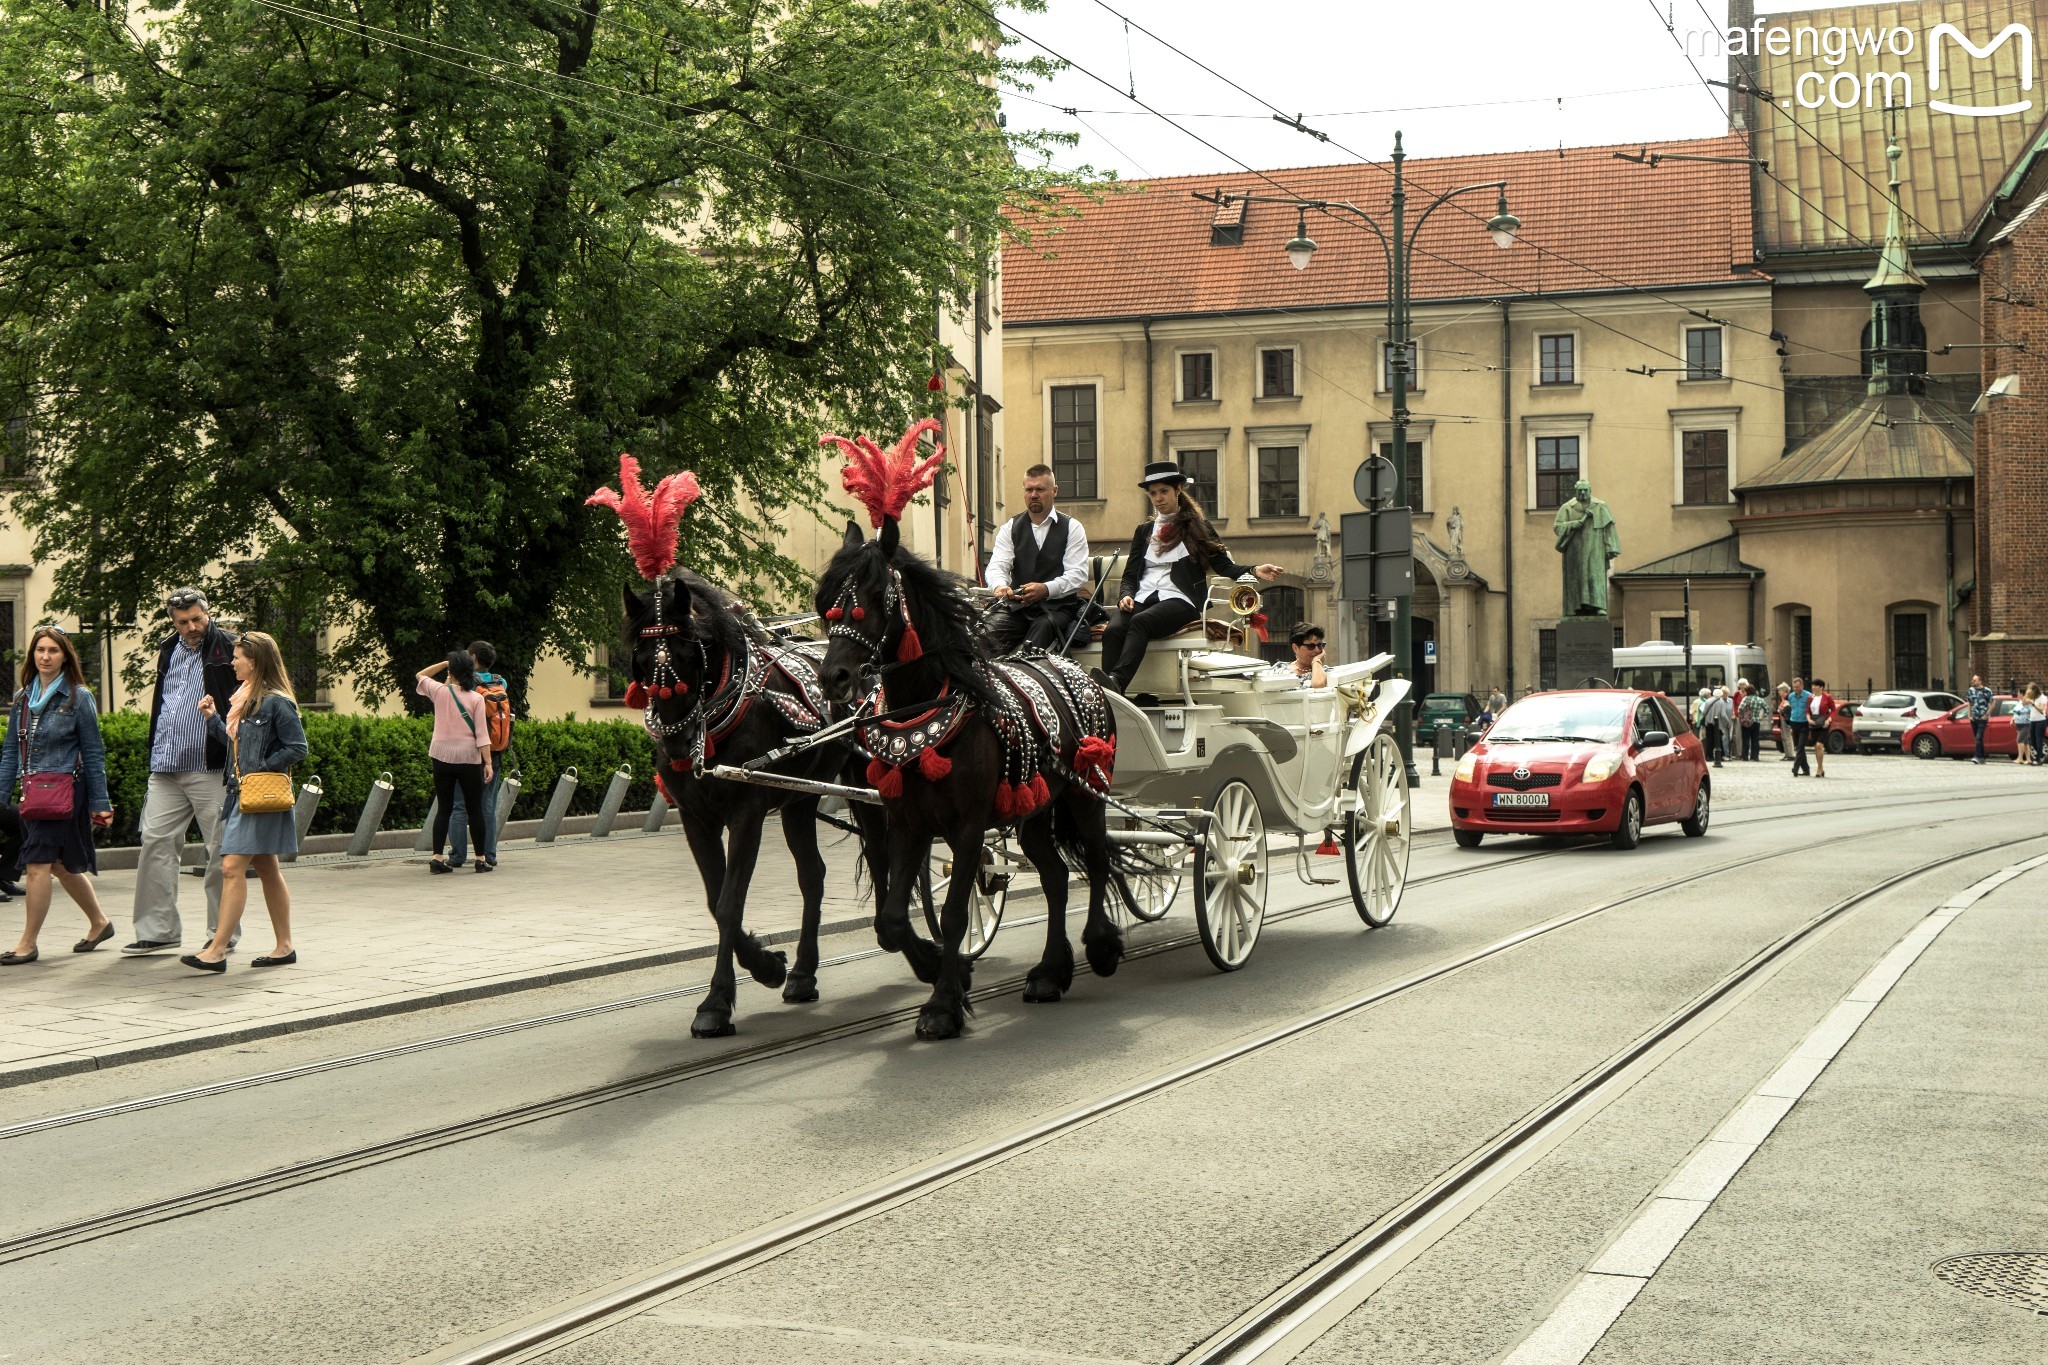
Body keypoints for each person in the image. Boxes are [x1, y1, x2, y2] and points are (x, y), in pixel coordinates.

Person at [1090, 462, 1283, 696]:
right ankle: (1108, 697)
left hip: (1180, 600)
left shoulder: (1198, 526)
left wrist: (1253, 570)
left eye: (1164, 491)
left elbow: (1223, 565)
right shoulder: (1144, 531)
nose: (1158, 498)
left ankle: (1116, 683)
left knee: (1141, 622)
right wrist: (1126, 595)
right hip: (1143, 595)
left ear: (1178, 490)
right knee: (1114, 629)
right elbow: (1131, 574)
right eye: (1153, 493)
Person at [181, 632, 308, 973]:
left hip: (259, 794)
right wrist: (211, 718)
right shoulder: (244, 699)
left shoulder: (276, 702)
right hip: (242, 795)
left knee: (231, 867)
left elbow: (298, 748)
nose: (233, 662)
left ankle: (218, 949)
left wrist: (260, 770)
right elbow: (237, 746)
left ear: (255, 661)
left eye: (238, 657)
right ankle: (284, 946)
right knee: (267, 867)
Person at [126, 588, 242, 956]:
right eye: (183, 622)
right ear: (172, 621)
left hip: (212, 764)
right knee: (155, 842)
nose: (191, 627)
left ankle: (221, 933)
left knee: (220, 851)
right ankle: (158, 931)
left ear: (208, 613)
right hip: (166, 764)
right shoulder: (167, 648)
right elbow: (164, 700)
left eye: (197, 619)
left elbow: (251, 696)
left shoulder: (230, 647)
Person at [0, 626, 115, 964]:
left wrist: (100, 803)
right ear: (33, 655)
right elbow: (10, 752)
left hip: (66, 794)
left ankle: (28, 943)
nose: (46, 656)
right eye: (40, 650)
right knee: (60, 866)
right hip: (34, 795)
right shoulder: (23, 699)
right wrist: (2, 794)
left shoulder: (79, 697)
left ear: (65, 656)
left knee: (37, 864)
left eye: (53, 650)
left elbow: (94, 753)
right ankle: (100, 922)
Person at [980, 465, 1090, 656]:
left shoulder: (1072, 527)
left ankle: (1026, 678)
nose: (1033, 494)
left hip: (1058, 608)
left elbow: (1078, 575)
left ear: (1054, 490)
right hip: (1018, 608)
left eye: (1040, 489)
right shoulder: (1010, 528)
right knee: (985, 638)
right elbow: (997, 565)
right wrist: (999, 587)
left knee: (1038, 637)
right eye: (1029, 489)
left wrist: (1046, 589)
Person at [417, 650, 494, 872]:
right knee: (475, 809)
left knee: (444, 808)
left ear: (451, 671)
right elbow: (482, 735)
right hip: (469, 758)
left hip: (441, 756)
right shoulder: (476, 698)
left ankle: (437, 858)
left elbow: (420, 675)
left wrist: (443, 663)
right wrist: (487, 763)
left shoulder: (440, 692)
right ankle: (480, 859)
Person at [448, 640, 509, 870]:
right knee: (487, 805)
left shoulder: (468, 685)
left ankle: (457, 856)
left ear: (472, 658)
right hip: (495, 751)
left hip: (470, 751)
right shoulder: (500, 682)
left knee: (460, 805)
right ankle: (489, 855)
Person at [1270, 622, 1328, 688]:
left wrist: (1316, 661)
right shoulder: (1279, 669)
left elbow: (1318, 686)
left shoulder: (1327, 673)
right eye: (1311, 646)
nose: (1317, 650)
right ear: (1295, 648)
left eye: (1320, 645)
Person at [1786, 676, 1814, 776]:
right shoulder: (1791, 696)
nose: (1796, 689)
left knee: (1800, 746)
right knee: (1799, 747)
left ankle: (1795, 768)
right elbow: (1790, 708)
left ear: (1802, 686)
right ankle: (1806, 769)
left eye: (1797, 687)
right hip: (1794, 723)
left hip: (1804, 723)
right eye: (1794, 687)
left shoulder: (1809, 696)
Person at [1809, 678, 1837, 777]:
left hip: (1824, 724)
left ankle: (1819, 768)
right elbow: (1807, 711)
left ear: (1821, 687)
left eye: (1815, 685)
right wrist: (1808, 719)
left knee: (1819, 745)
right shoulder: (1810, 697)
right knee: (1816, 747)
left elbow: (1833, 710)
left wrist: (1829, 720)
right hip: (1814, 723)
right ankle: (1821, 767)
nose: (1813, 687)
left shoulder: (1827, 697)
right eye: (1812, 685)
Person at [1964, 674, 1994, 765]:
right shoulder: (1971, 691)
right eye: (1973, 680)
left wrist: (1986, 714)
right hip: (1974, 717)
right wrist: (1969, 714)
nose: (1973, 682)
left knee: (1978, 737)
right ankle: (1982, 756)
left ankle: (1977, 756)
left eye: (1975, 680)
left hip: (1982, 718)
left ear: (1980, 681)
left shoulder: (1987, 691)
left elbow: (1992, 703)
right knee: (1978, 738)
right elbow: (1969, 702)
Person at [1702, 686, 1733, 768]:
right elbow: (1723, 714)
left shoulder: (1708, 701)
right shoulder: (1721, 701)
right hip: (1717, 724)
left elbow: (1704, 712)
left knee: (1709, 740)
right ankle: (1720, 755)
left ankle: (1709, 756)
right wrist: (1728, 722)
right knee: (1718, 740)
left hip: (1708, 723)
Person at [1737, 681, 1767, 762]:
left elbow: (1740, 709)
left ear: (1748, 691)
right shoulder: (1759, 699)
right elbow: (1766, 709)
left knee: (1746, 739)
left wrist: (1742, 716)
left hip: (1746, 721)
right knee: (1755, 739)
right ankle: (1755, 756)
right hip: (1756, 721)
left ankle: (1745, 756)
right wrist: (1762, 716)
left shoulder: (1746, 699)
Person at [1774, 682, 1793, 760]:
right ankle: (1787, 754)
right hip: (1783, 719)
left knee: (1787, 737)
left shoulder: (1788, 699)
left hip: (1786, 720)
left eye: (1780, 690)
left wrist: (1781, 710)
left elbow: (1788, 708)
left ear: (1785, 691)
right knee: (1784, 737)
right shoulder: (1784, 699)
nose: (1778, 692)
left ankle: (1790, 754)